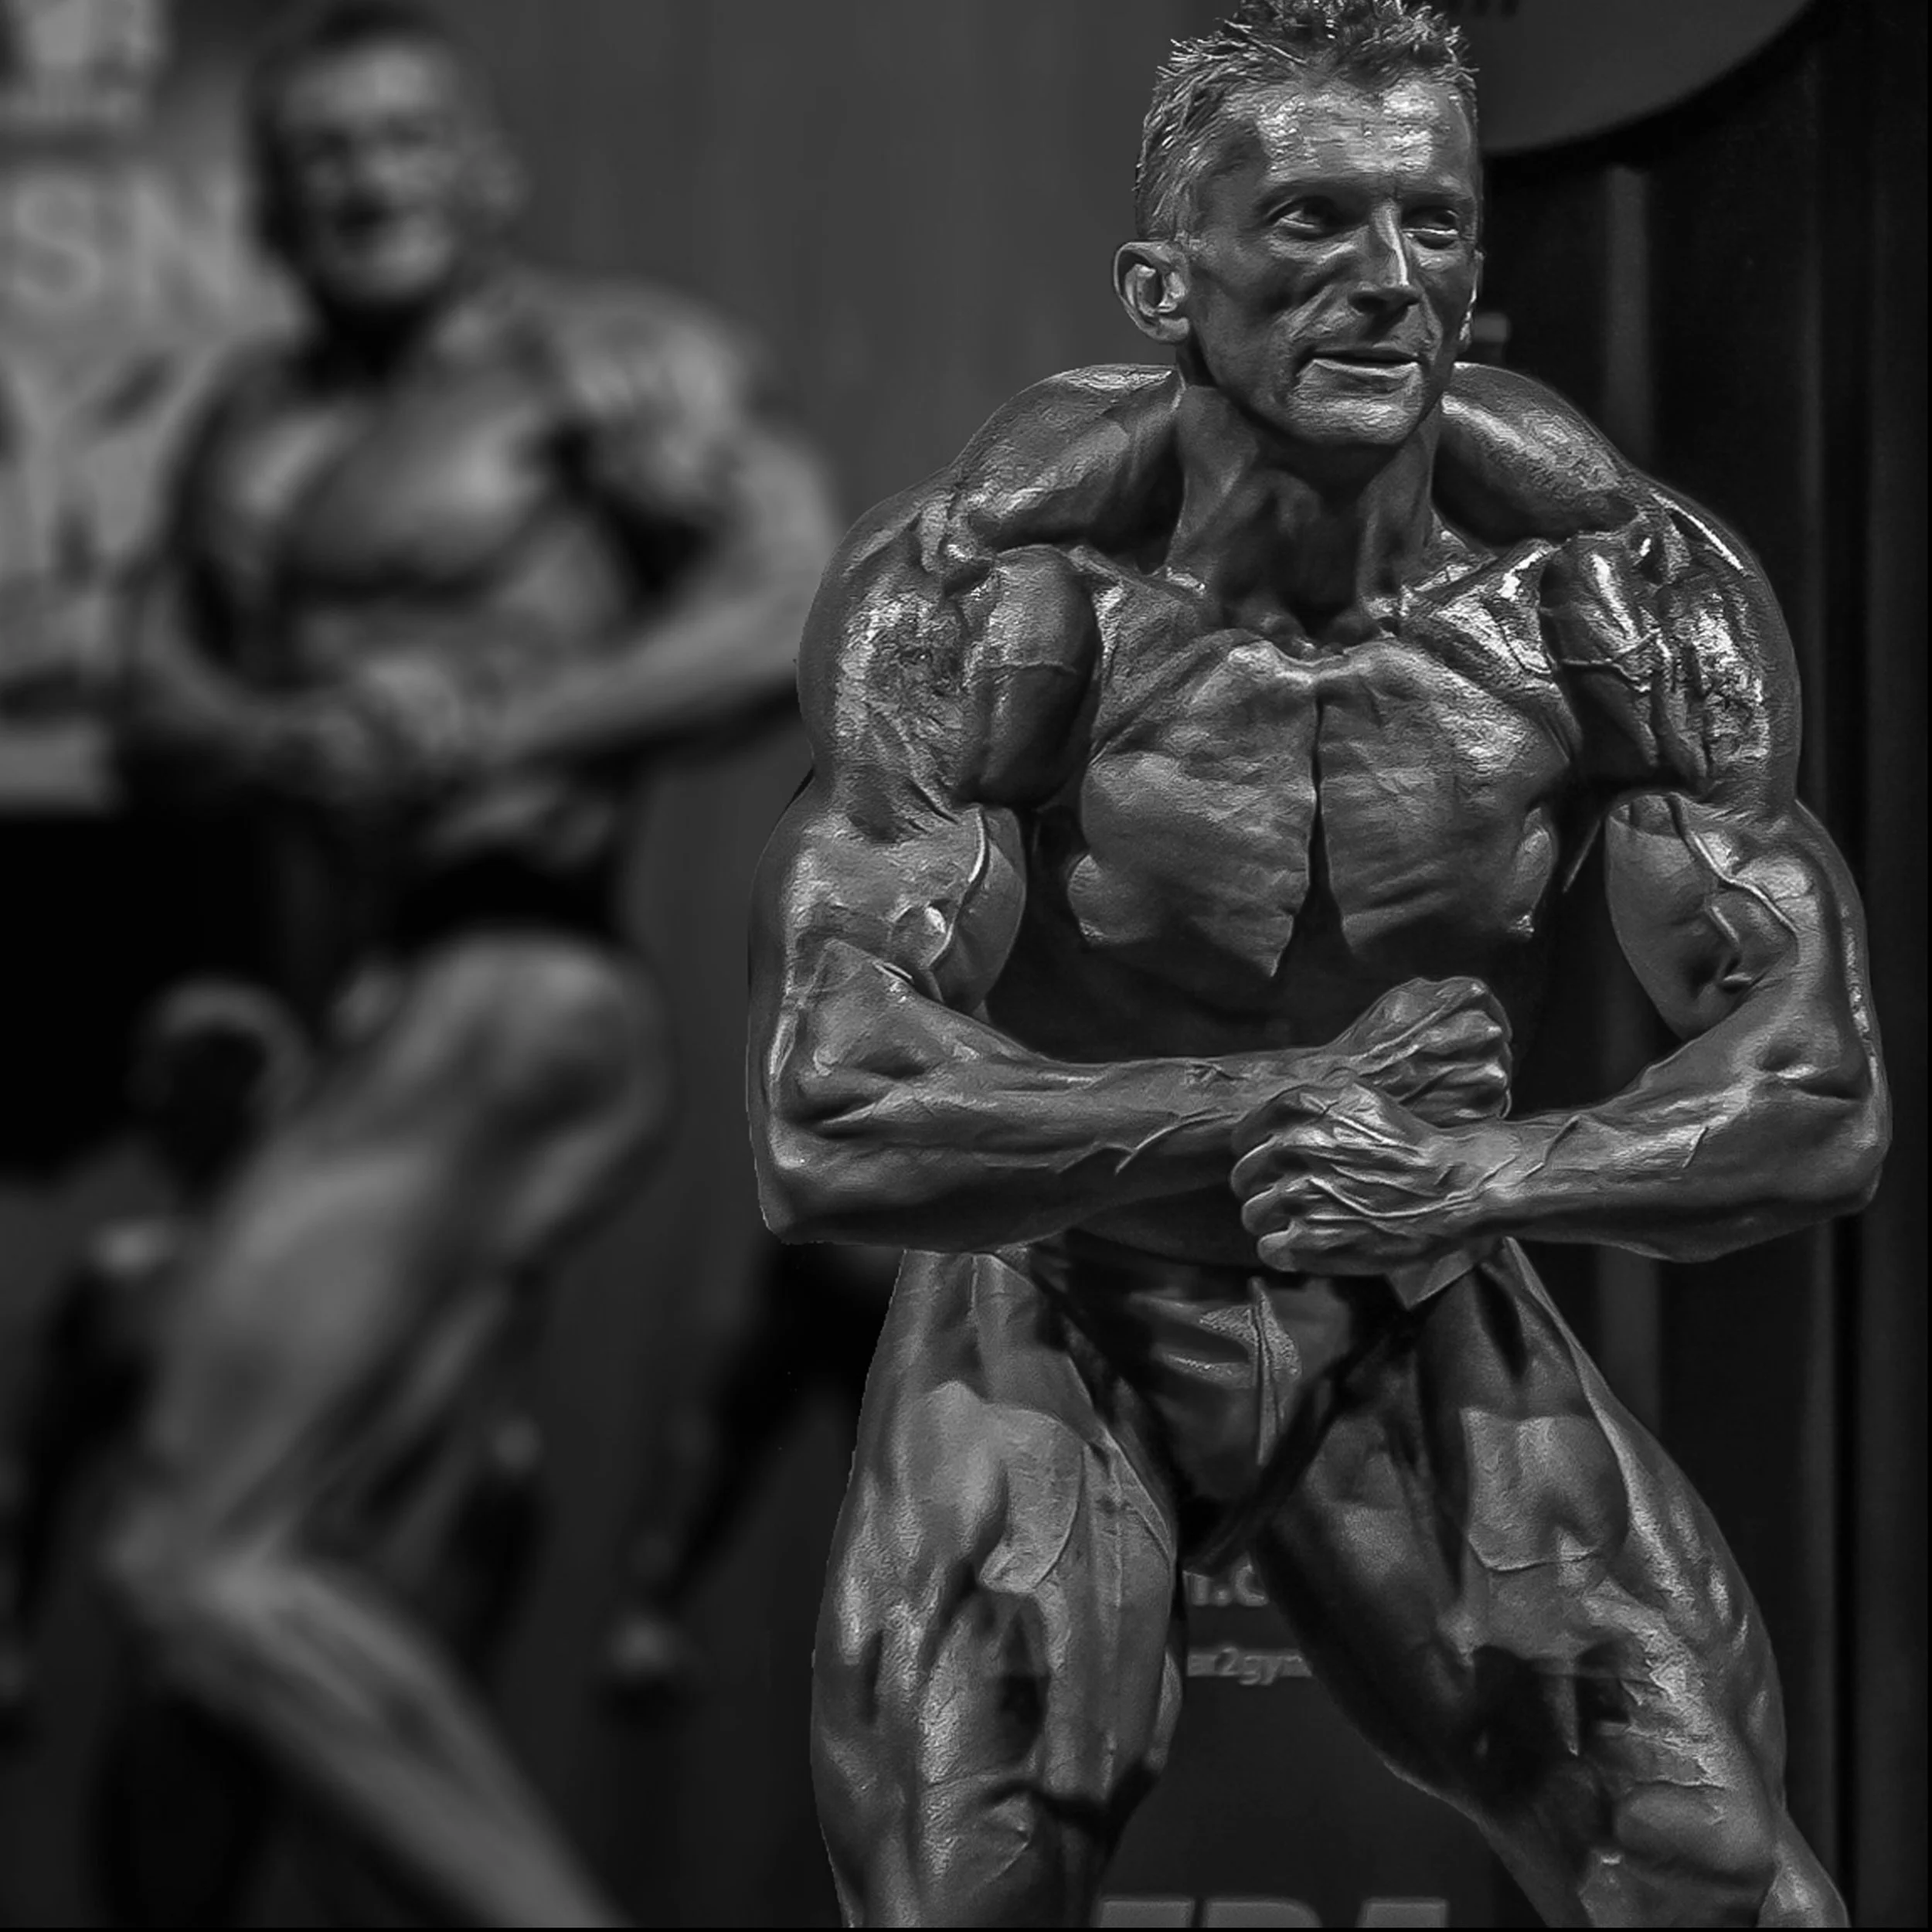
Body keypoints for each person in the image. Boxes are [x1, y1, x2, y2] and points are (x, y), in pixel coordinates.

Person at [747, 2, 1888, 1925]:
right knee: (964, 1877)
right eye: (1309, 220)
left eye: (1430, 222)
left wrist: (1477, 1173)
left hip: (1407, 1276)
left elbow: (1818, 1093)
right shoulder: (998, 596)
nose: (1385, 279)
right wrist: (1281, 1098)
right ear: (1161, 287)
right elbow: (827, 1112)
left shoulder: (1606, 593)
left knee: (1706, 1872)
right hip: (1070, 1288)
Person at [102, 3, 835, 1923]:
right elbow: (155, 691)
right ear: (270, 204)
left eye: (400, 140)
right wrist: (278, 737)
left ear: (485, 171)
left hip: (511, 977)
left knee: (188, 1563)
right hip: (349, 1020)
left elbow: (801, 599)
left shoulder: (601, 369)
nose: (363, 181)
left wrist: (500, 730)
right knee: (307, 1593)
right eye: (320, 154)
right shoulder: (248, 423)